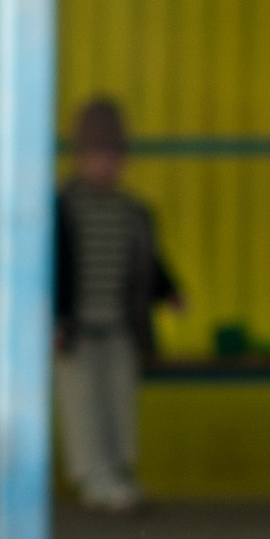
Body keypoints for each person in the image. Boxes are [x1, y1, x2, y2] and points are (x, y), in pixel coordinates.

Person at [52, 96, 180, 515]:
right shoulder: (61, 208)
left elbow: (148, 261)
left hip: (121, 325)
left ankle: (119, 469)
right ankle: (92, 476)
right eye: (96, 155)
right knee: (83, 402)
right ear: (79, 156)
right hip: (76, 329)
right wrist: (53, 318)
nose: (105, 165)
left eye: (113, 156)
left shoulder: (133, 211)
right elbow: (50, 267)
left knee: (119, 400)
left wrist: (169, 291)